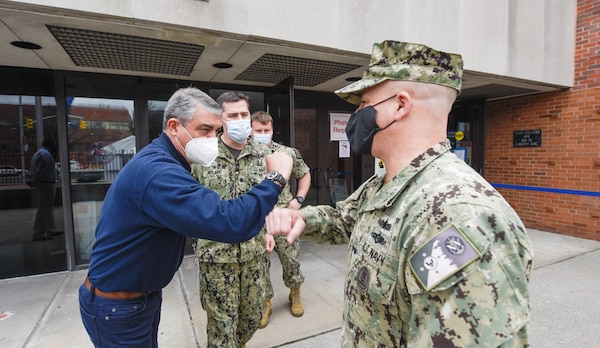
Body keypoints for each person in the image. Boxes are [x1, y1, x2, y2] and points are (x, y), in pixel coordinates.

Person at [265, 40, 534, 347]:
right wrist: (301, 217)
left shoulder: (460, 217)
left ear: (400, 105)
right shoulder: (387, 184)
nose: (357, 115)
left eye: (365, 103)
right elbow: (347, 219)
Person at [78, 87, 292, 347]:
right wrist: (276, 178)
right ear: (173, 126)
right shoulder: (159, 173)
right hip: (118, 307)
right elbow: (229, 221)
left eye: (216, 131)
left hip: (136, 300)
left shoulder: (169, 162)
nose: (213, 138)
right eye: (204, 130)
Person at [190, 91, 276, 348]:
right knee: (221, 331)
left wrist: (269, 229)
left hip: (254, 254)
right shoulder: (202, 155)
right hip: (216, 259)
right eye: (233, 115)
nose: (240, 119)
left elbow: (272, 198)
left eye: (244, 114)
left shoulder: (264, 155)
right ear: (221, 118)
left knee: (250, 320)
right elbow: (190, 204)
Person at [250, 110, 311, 327]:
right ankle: (265, 302)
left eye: (267, 130)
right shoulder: (245, 155)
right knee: (259, 264)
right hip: (257, 220)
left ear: (272, 130)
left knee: (291, 260)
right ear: (251, 131)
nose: (263, 134)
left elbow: (304, 174)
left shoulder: (287, 152)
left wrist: (299, 199)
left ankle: (295, 292)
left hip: (284, 217)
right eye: (259, 130)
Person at [29, 138, 61, 241]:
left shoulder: (39, 153)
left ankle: (49, 229)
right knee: (44, 208)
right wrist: (36, 179)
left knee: (47, 208)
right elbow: (41, 170)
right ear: (50, 144)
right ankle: (38, 232)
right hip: (46, 184)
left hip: (43, 184)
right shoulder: (45, 155)